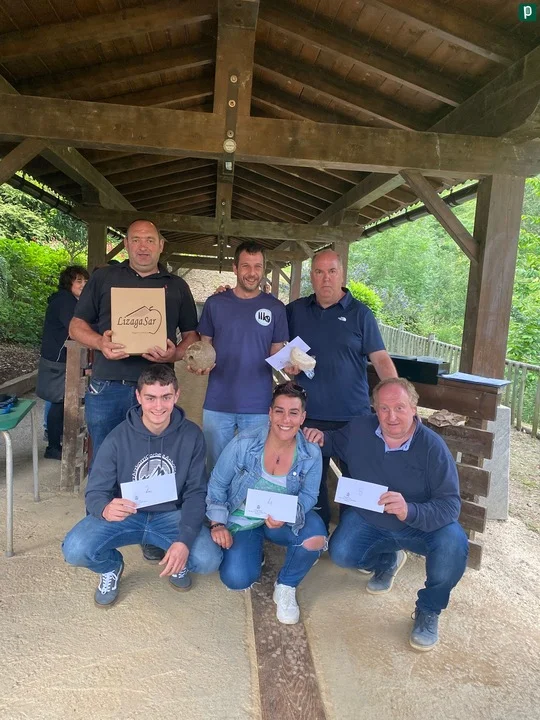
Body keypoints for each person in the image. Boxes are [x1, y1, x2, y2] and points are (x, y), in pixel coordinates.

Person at [304, 377, 468, 651]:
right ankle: (387, 561)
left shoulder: (432, 447)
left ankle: (429, 609)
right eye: (384, 408)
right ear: (375, 409)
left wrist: (410, 510)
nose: (391, 416)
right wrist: (319, 437)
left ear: (414, 408)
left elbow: (450, 505)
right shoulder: (360, 428)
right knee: (341, 552)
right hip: (371, 518)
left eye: (400, 408)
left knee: (454, 544)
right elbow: (332, 442)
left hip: (418, 524)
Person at [69, 219, 198, 562]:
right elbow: (76, 326)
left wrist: (174, 354)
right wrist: (100, 342)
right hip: (109, 385)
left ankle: (150, 531)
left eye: (150, 240)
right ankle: (103, 528)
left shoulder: (176, 286)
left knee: (154, 460)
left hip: (156, 391)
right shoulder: (103, 278)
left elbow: (192, 337)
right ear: (126, 244)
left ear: (161, 245)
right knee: (105, 459)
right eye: (136, 239)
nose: (143, 246)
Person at [62, 364, 222, 607]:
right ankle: (111, 567)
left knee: (208, 559)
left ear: (176, 395)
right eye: (150, 397)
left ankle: (177, 561)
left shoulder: (192, 435)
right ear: (138, 397)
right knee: (74, 550)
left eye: (166, 397)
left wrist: (184, 541)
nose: (158, 406)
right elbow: (95, 491)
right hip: (129, 514)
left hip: (171, 515)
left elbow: (196, 491)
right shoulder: (117, 438)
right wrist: (104, 508)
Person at [286, 249, 397, 530]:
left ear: (342, 275)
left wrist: (398, 398)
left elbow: (380, 359)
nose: (326, 278)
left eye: (332, 271)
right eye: (319, 272)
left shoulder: (361, 314)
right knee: (312, 483)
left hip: (353, 418)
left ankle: (353, 536)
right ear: (311, 276)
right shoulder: (295, 311)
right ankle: (316, 533)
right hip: (309, 415)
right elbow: (272, 340)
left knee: (356, 483)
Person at [207, 381, 326, 625]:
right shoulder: (245, 443)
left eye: (293, 413)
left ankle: (286, 585)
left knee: (315, 537)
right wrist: (217, 522)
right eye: (279, 411)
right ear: (270, 413)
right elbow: (217, 483)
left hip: (282, 518)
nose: (286, 419)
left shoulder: (311, 453)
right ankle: (254, 548)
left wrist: (288, 513)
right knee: (236, 579)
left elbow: (309, 495)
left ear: (302, 417)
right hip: (244, 516)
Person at [193, 241, 289, 470]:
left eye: (258, 266)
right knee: (216, 467)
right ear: (235, 268)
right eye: (246, 266)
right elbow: (205, 347)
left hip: (258, 404)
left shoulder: (276, 308)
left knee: (252, 468)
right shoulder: (215, 303)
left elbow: (276, 350)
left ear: (263, 269)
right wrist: (198, 364)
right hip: (218, 401)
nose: (252, 273)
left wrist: (290, 364)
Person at [37, 265, 89, 459]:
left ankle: (55, 441)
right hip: (58, 360)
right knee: (59, 403)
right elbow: (75, 330)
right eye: (78, 281)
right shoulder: (65, 301)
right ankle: (53, 447)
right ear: (69, 283)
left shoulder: (67, 300)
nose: (83, 285)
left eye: (85, 281)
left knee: (59, 402)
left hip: (57, 357)